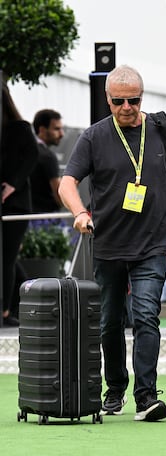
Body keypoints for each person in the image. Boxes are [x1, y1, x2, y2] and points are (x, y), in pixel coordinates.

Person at [58, 65, 166, 421]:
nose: (127, 107)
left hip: (153, 242)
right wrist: (79, 213)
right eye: (119, 100)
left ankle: (146, 396)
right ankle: (116, 389)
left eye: (134, 100)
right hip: (107, 243)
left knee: (146, 316)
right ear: (108, 100)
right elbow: (66, 183)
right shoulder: (93, 137)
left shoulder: (162, 131)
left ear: (142, 97)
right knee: (109, 321)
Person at [1, 83, 39, 326]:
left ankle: (5, 310)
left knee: (7, 258)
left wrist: (13, 184)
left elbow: (32, 157)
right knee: (8, 259)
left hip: (15, 207)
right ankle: (13, 307)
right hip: (13, 204)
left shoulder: (20, 129)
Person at [31, 109, 64, 212]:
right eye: (56, 129)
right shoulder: (48, 157)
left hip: (25, 217)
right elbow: (60, 197)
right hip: (46, 218)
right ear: (42, 130)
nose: (61, 134)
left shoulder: (25, 151)